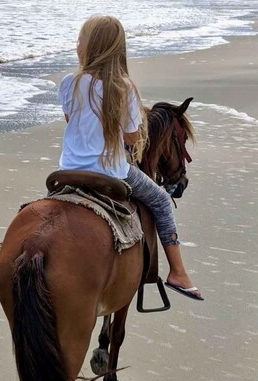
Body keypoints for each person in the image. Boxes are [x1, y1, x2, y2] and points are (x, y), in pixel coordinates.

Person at [58, 15, 202, 300]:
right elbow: (133, 137)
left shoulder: (68, 83)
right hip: (113, 171)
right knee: (161, 201)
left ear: (87, 49)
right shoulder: (124, 89)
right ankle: (178, 272)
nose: (76, 46)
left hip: (68, 169)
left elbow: (69, 119)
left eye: (79, 41)